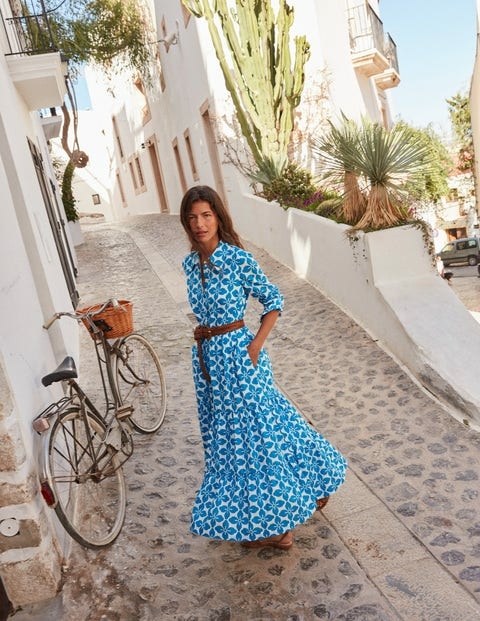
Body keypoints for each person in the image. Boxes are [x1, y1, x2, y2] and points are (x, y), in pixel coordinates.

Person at [180, 185, 347, 550]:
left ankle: (278, 527)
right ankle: (314, 484)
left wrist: (255, 345)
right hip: (209, 361)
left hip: (240, 358)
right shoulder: (190, 265)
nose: (199, 224)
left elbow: (273, 299)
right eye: (192, 217)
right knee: (256, 430)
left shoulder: (237, 259)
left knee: (253, 440)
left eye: (206, 215)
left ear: (218, 217)